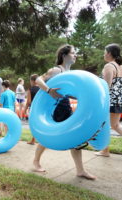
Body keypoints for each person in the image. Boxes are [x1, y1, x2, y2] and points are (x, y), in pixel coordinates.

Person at [33, 44, 96, 180]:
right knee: (48, 137)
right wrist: (49, 90)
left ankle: (80, 170)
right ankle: (36, 161)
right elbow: (38, 80)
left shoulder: (71, 73)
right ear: (64, 55)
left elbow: (66, 92)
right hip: (55, 108)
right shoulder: (57, 70)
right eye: (73, 53)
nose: (75, 55)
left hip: (66, 105)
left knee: (76, 138)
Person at [24, 74, 40, 145]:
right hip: (40, 109)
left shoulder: (30, 89)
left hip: (33, 109)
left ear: (32, 81)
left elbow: (28, 102)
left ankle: (33, 140)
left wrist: (24, 110)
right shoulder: (41, 88)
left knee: (33, 125)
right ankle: (38, 140)